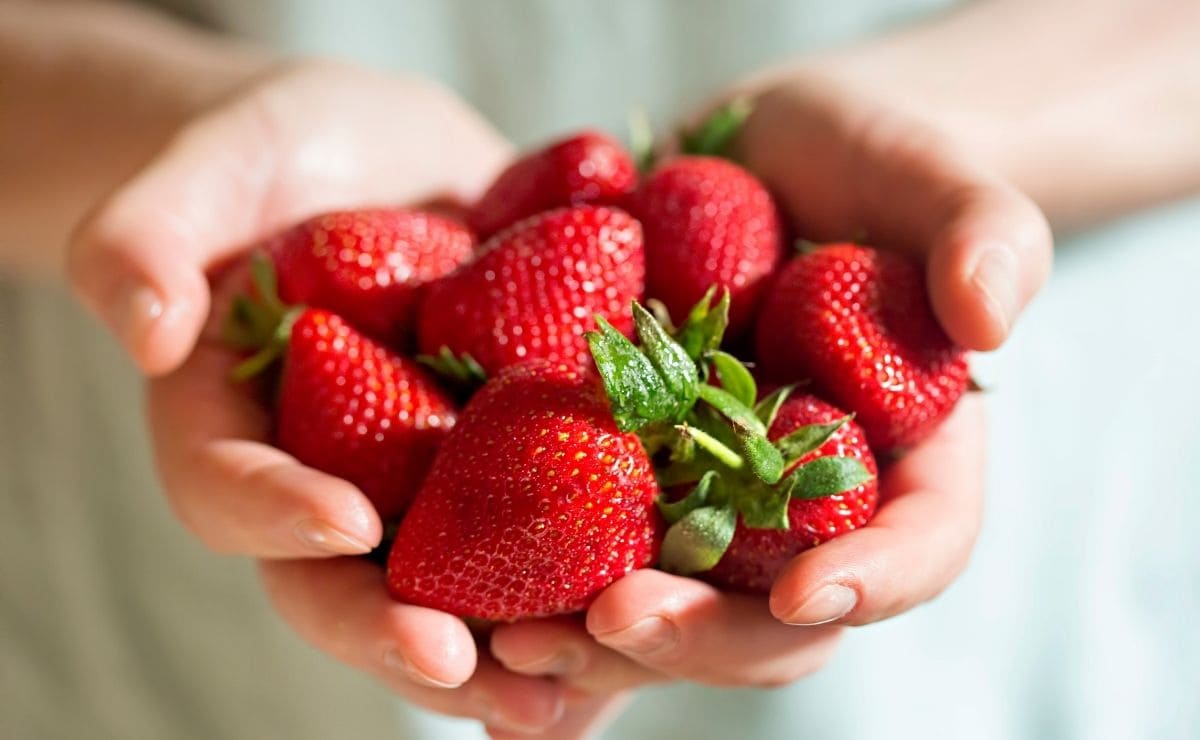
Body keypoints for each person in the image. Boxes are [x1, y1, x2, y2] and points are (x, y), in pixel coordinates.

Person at [2, 0, 1197, 738]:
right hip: (168, 663)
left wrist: (945, 121)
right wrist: (161, 130)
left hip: (1035, 641)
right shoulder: (584, 384)